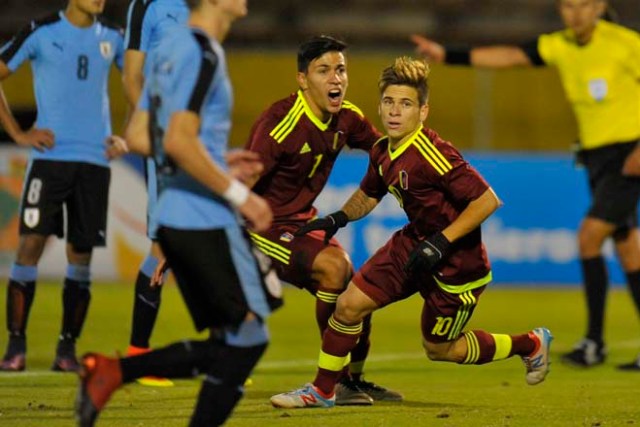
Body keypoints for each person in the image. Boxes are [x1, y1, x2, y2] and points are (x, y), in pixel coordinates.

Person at [270, 56, 553, 409]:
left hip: (456, 265)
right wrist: (339, 217)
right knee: (348, 305)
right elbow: (370, 192)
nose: (394, 111)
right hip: (412, 245)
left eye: (405, 104)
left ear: (422, 112)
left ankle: (530, 344)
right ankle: (324, 390)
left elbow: (487, 200)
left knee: (440, 349)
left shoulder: (433, 153)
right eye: (389, 102)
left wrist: (441, 242)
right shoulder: (381, 149)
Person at [75, 0, 282, 425]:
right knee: (247, 338)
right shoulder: (202, 52)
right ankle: (115, 372)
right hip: (204, 216)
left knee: (235, 338)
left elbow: (140, 134)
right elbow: (178, 142)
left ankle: (112, 372)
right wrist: (243, 196)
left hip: (172, 214)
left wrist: (220, 161)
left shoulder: (170, 45)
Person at [411, 0, 640, 370]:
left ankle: (594, 343)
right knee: (629, 249)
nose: (575, 13)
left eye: (583, 5)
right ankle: (599, 342)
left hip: (630, 156)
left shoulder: (626, 43)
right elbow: (511, 56)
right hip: (598, 159)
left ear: (599, 7)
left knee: (589, 237)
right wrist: (447, 54)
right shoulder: (559, 44)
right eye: (567, 6)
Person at [245, 35, 402, 405]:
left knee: (360, 292)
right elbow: (240, 185)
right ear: (303, 79)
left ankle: (354, 382)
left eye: (341, 70)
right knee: (335, 267)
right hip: (262, 226)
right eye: (324, 70)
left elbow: (385, 152)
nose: (336, 79)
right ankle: (329, 385)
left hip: (303, 223)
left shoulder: (348, 118)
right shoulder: (279, 123)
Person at [0, 0, 126, 372]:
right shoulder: (41, 32)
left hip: (94, 162)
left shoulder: (114, 38)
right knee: (30, 244)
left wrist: (128, 135)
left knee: (81, 255)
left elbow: (140, 84)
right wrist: (17, 133)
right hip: (50, 161)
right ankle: (15, 346)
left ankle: (66, 350)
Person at [121, 0, 190, 387]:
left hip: (198, 140)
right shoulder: (146, 6)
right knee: (162, 246)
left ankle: (221, 355)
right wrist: (151, 127)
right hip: (166, 140)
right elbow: (132, 75)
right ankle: (138, 354)